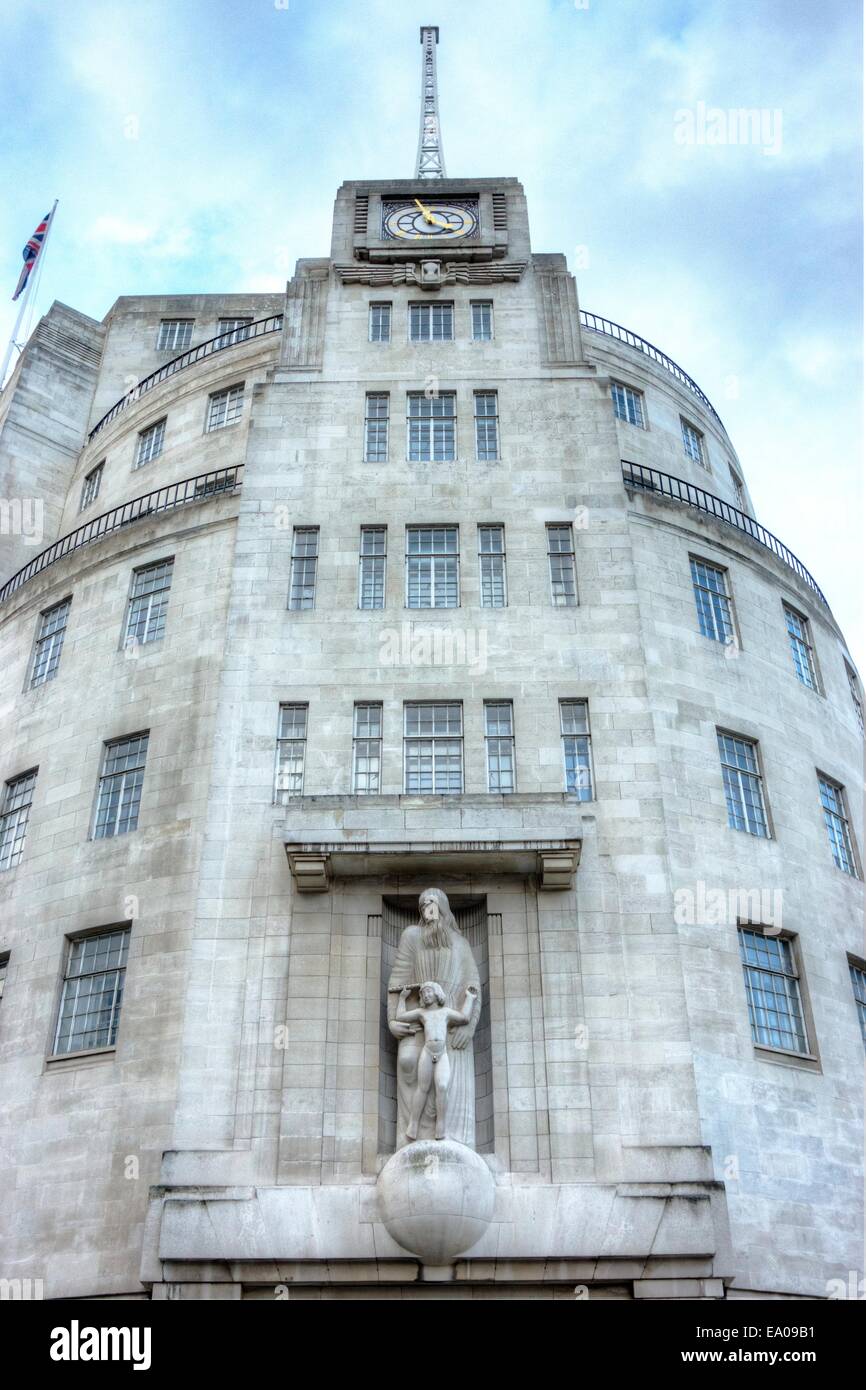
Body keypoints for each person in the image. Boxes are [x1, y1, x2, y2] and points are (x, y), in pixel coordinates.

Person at [386, 888, 481, 1147]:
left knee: (444, 1084)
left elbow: (472, 984)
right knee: (407, 1061)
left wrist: (469, 1027)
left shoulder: (460, 944)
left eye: (432, 903)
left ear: (443, 906)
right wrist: (393, 1021)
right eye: (423, 905)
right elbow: (397, 980)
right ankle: (411, 1134)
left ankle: (448, 1136)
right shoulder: (411, 936)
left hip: (450, 1025)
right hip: (420, 1023)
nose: (427, 908)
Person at [396, 982, 478, 1141]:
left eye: (429, 992)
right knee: (422, 1088)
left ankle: (441, 1125)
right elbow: (400, 1017)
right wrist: (402, 998)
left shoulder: (446, 1012)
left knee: (442, 1086)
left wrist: (470, 998)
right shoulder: (421, 1013)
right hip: (427, 1052)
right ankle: (413, 1124)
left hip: (442, 1054)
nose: (426, 995)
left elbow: (464, 1018)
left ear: (437, 993)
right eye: (423, 993)